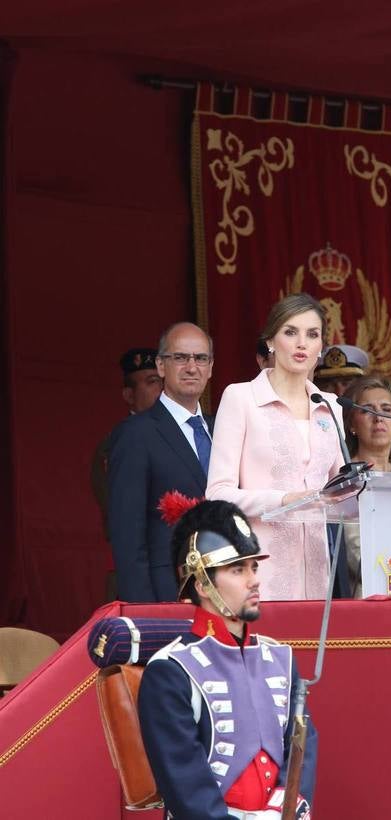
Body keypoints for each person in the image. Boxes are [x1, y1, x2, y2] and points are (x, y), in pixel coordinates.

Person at [138, 499, 316, 820]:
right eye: (238, 570)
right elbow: (188, 792)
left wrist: (281, 813)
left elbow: (303, 752)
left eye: (254, 567)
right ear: (203, 584)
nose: (254, 580)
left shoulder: (280, 658)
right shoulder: (170, 671)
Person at [206, 293, 344, 600]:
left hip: (318, 575)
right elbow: (217, 494)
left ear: (321, 346)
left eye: (312, 335)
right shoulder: (240, 398)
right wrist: (284, 500)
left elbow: (341, 491)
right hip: (259, 570)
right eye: (290, 332)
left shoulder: (331, 406)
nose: (301, 344)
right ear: (270, 341)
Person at [108, 322, 214, 602]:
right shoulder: (135, 434)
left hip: (223, 595)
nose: (192, 367)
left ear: (211, 367)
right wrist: (145, 613)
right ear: (161, 366)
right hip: (166, 593)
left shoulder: (223, 430)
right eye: (180, 357)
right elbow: (127, 537)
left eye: (200, 358)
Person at [90, 347, 162, 600]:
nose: (161, 389)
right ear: (129, 395)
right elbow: (122, 514)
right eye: (152, 382)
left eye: (162, 381)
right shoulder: (119, 442)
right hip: (138, 570)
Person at [342, 374, 391, 597]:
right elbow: (354, 552)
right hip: (365, 594)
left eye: (386, 409)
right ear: (352, 425)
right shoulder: (343, 477)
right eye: (367, 410)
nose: (378, 418)